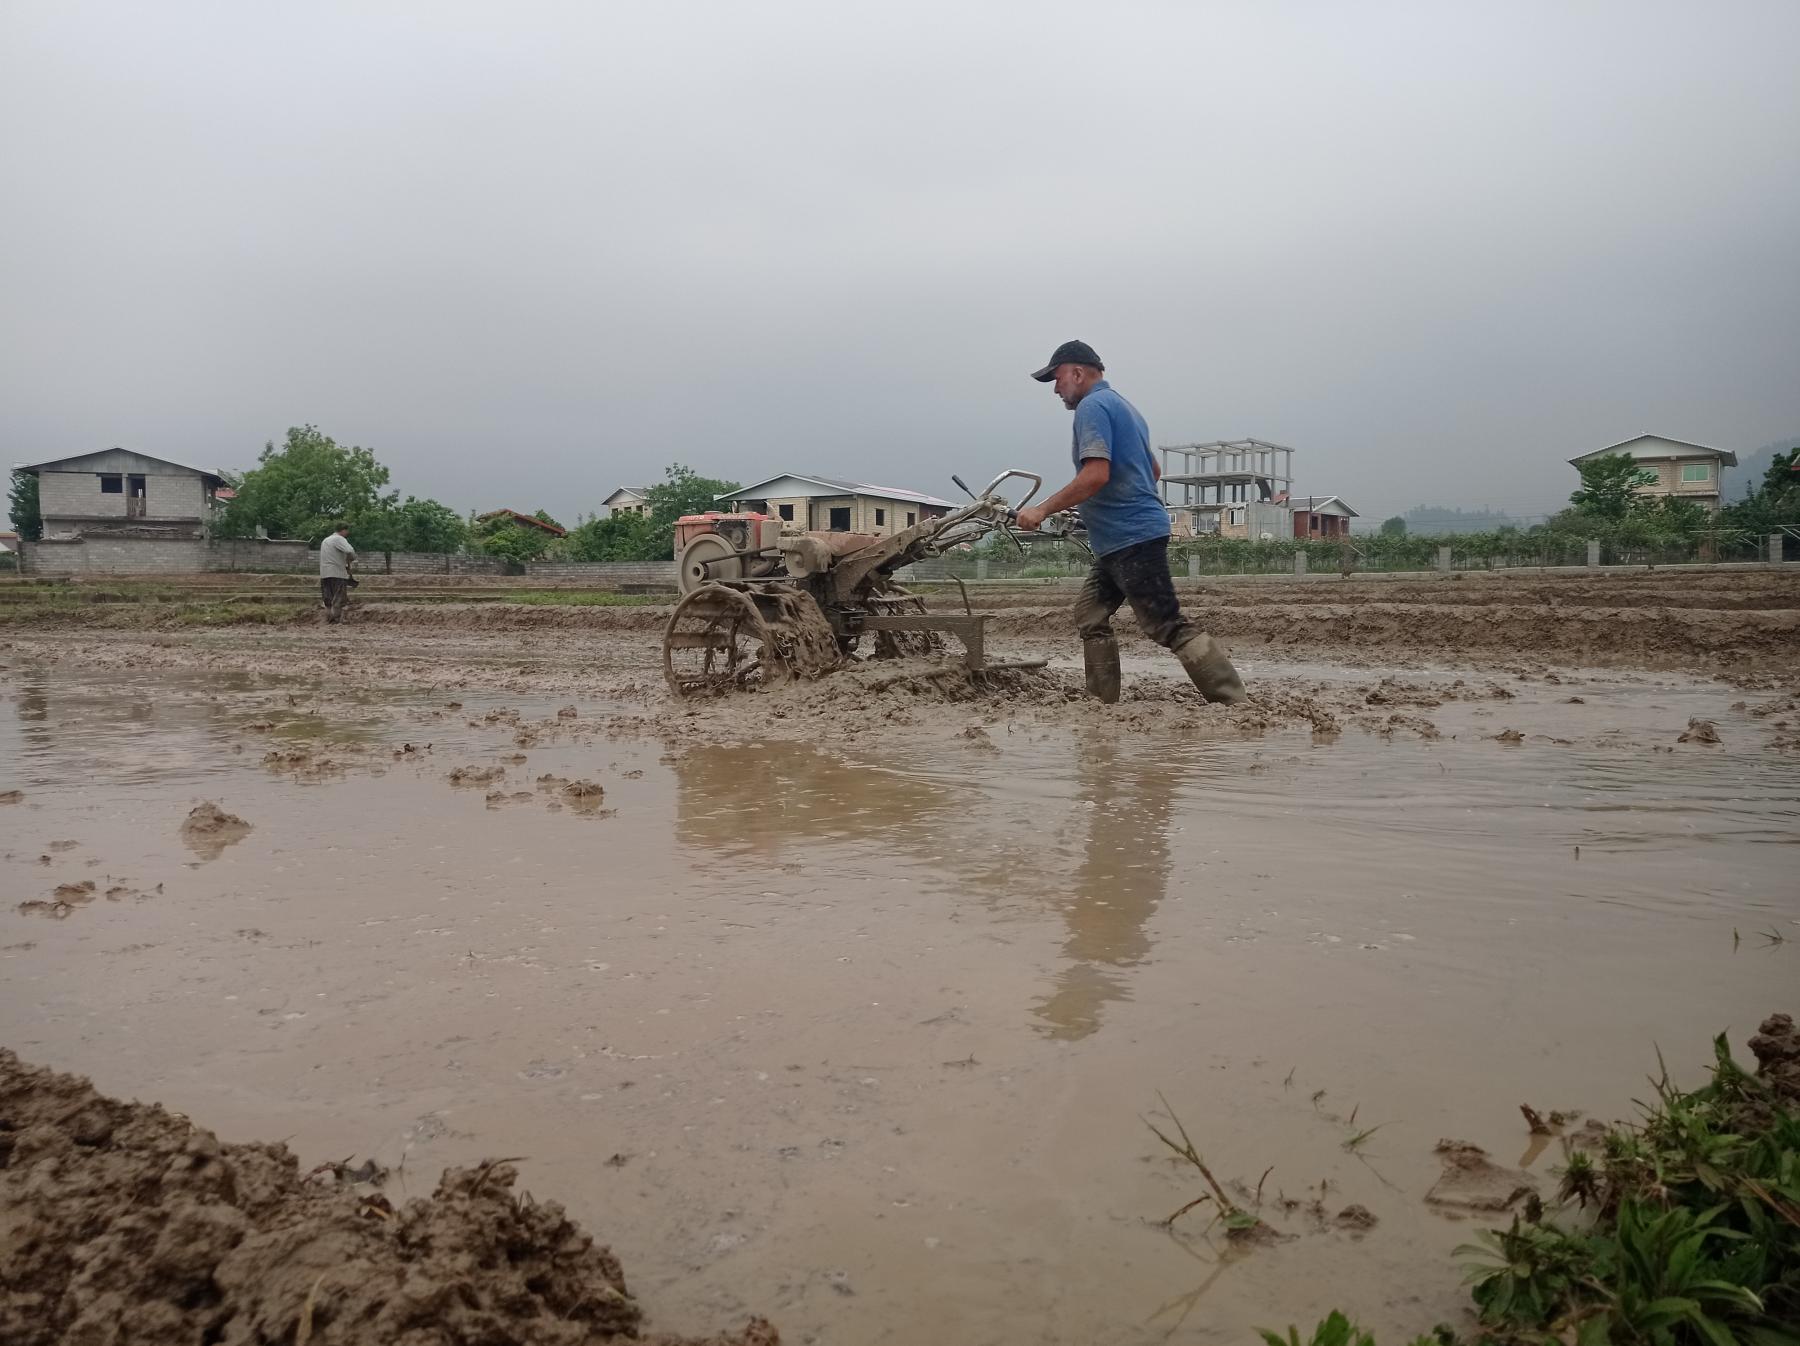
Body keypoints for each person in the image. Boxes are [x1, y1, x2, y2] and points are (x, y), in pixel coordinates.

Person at [1014, 340, 1245, 705]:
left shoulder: (1092, 407)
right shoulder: (1125, 407)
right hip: (1117, 540)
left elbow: (1095, 474)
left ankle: (1234, 702)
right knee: (1090, 615)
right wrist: (1099, 506)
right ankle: (1101, 705)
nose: (1056, 389)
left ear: (1077, 373)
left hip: (1131, 538)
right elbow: (1151, 470)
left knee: (1165, 623)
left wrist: (1042, 509)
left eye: (1057, 379)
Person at [318, 522, 356, 624]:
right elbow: (350, 551)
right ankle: (337, 619)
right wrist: (350, 559)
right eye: (347, 530)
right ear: (343, 530)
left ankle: (328, 619)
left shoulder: (326, 540)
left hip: (325, 573)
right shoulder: (339, 539)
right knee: (339, 598)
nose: (347, 533)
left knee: (328, 598)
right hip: (337, 573)